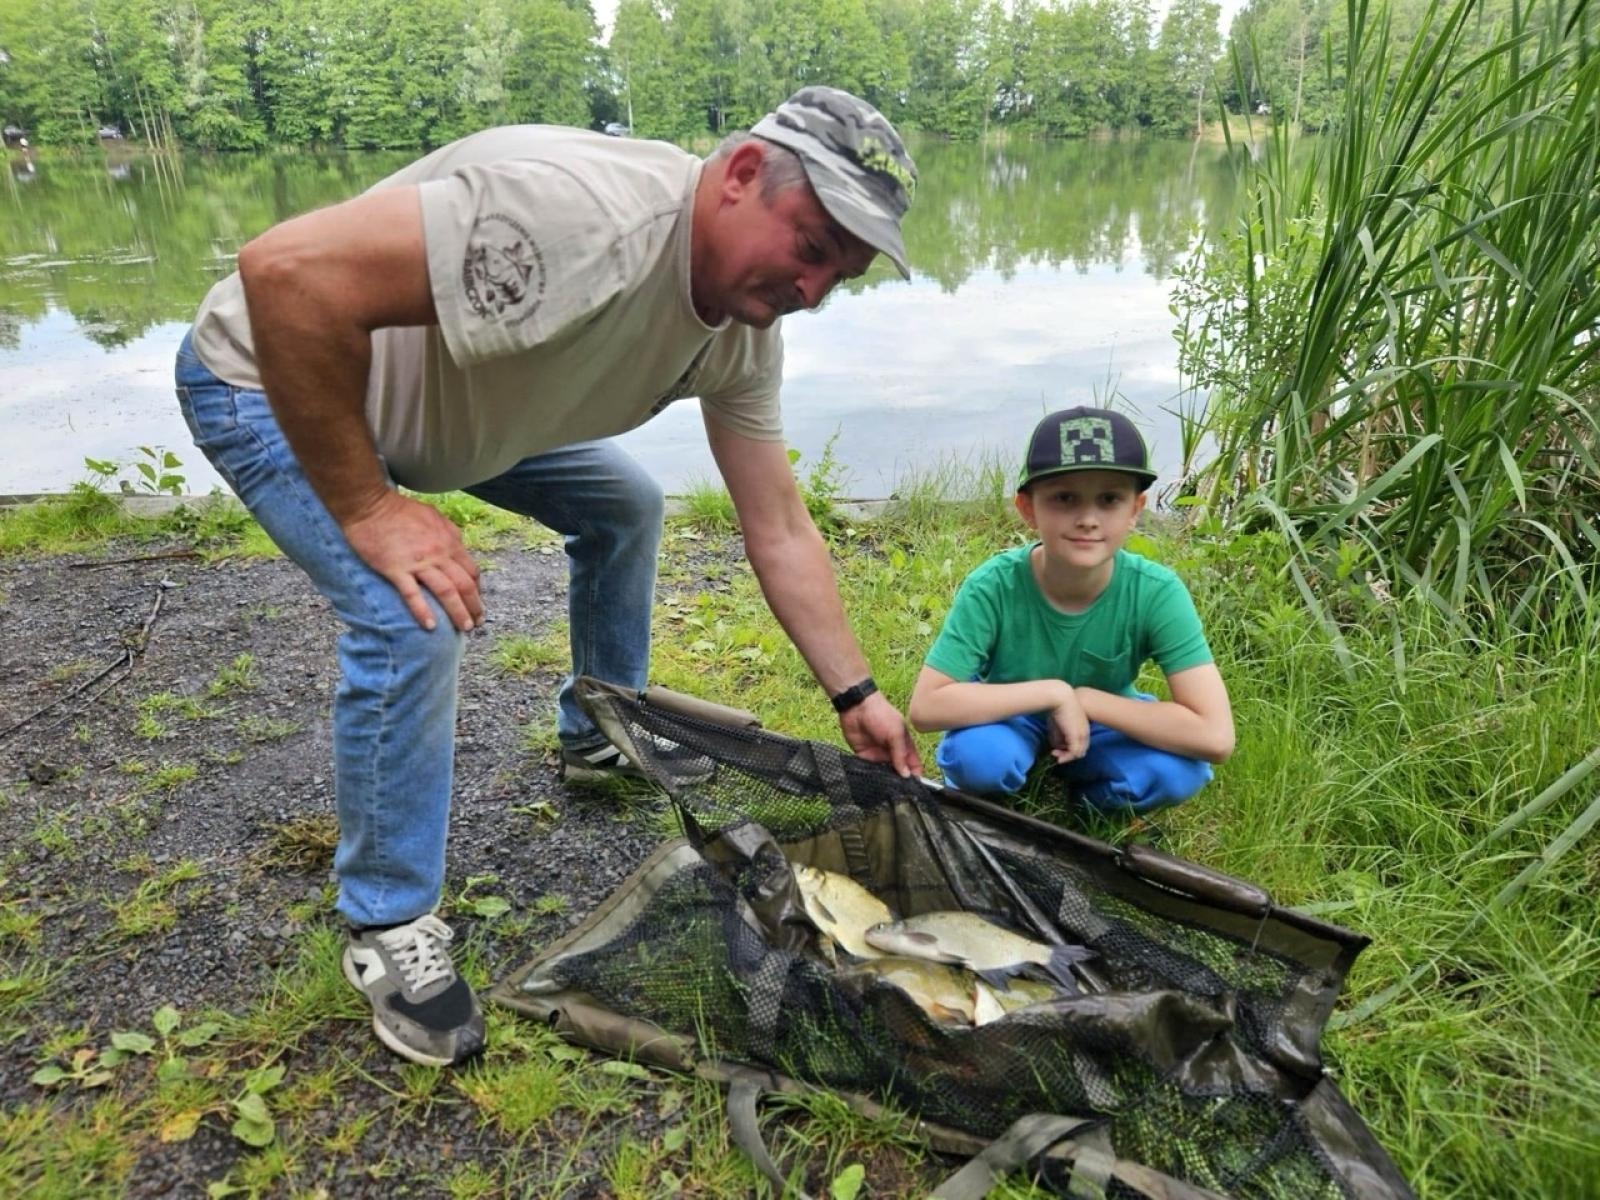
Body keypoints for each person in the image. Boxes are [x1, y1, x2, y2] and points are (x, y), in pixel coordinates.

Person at [173, 86, 923, 1068]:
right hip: (275, 381)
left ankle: (596, 732)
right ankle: (387, 928)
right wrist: (368, 507)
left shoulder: (741, 334)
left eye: (844, 274)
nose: (815, 289)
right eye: (813, 247)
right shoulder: (583, 219)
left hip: (438, 416)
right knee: (413, 615)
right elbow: (285, 276)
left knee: (623, 507)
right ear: (741, 175)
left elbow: (778, 523)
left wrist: (854, 692)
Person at [908, 406, 1233, 812]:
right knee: (981, 761)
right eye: (1065, 498)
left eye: (1110, 499)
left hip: (1104, 722)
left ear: (1135, 509)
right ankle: (998, 785)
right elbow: (926, 707)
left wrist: (1085, 701)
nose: (1088, 519)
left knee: (1177, 773)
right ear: (1028, 508)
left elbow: (1216, 737)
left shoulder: (1157, 593)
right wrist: (1054, 695)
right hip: (1010, 710)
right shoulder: (993, 586)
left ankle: (1085, 801)